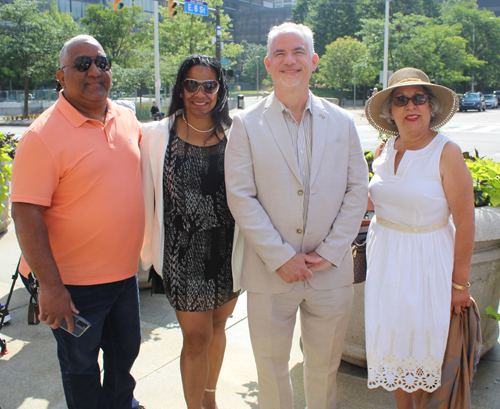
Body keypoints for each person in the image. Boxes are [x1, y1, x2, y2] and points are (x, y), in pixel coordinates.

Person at [225, 23, 368, 409]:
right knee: (270, 370)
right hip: (271, 273)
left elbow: (358, 189)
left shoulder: (342, 121)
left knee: (324, 370)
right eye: (281, 54)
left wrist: (334, 248)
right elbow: (240, 195)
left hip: (331, 271)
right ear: (269, 63)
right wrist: (280, 256)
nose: (290, 60)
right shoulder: (245, 124)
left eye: (299, 52)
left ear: (314, 60)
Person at [10, 35, 146, 409]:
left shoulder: (126, 117)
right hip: (74, 287)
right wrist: (51, 288)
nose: (94, 72)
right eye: (82, 64)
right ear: (61, 76)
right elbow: (25, 214)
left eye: (101, 62)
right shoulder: (42, 136)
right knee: (82, 367)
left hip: (123, 277)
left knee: (124, 358)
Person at [363, 67, 475, 409]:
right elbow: (377, 200)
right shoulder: (384, 150)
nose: (411, 105)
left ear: (431, 107)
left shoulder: (446, 152)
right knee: (396, 354)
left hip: (428, 267)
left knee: (428, 356)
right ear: (390, 110)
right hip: (385, 266)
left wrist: (460, 285)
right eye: (401, 99)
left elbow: (466, 222)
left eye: (419, 98)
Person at [140, 55, 243, 409]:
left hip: (229, 250)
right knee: (196, 337)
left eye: (209, 85)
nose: (201, 93)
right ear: (181, 89)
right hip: (183, 254)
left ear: (220, 89)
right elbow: (145, 195)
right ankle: (195, 406)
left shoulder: (237, 133)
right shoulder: (156, 135)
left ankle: (210, 396)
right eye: (192, 85)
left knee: (218, 327)